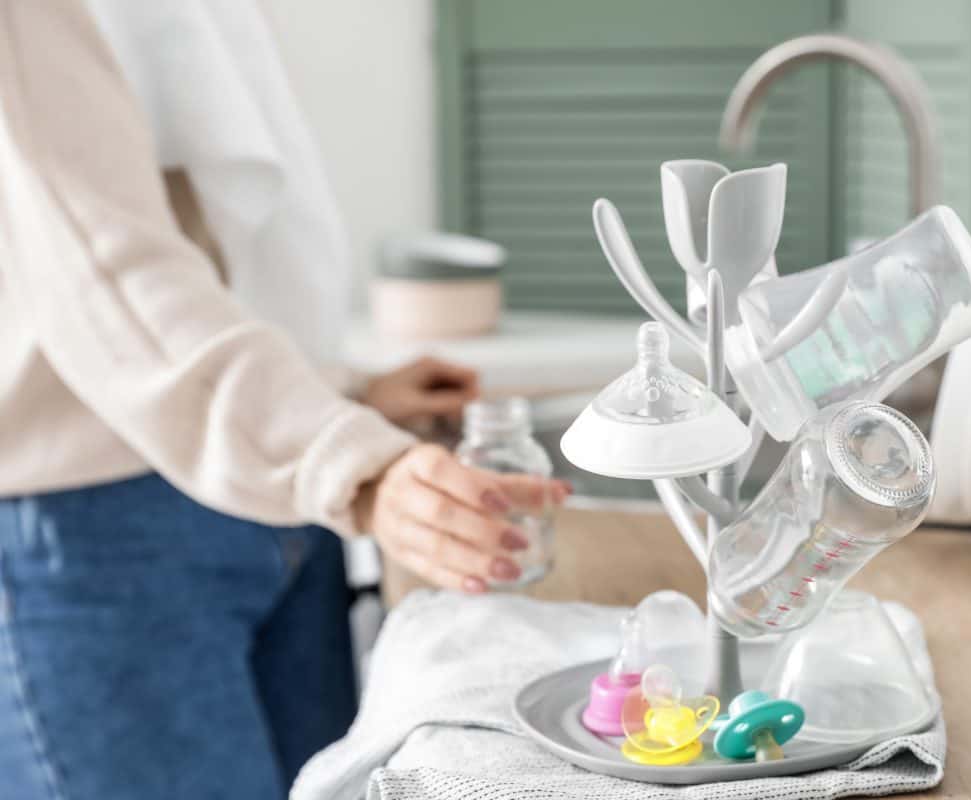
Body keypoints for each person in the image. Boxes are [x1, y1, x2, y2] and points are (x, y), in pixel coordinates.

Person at [0, 2, 567, 798]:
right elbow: (106, 273)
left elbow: (198, 242)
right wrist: (347, 459)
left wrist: (339, 394)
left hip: (273, 502)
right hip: (105, 532)